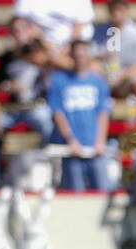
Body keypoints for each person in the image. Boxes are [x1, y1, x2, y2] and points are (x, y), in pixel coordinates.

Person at [48, 39, 112, 192]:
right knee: (75, 194)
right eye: (77, 53)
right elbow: (58, 113)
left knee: (103, 191)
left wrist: (100, 141)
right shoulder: (59, 80)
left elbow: (103, 113)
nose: (80, 56)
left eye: (84, 52)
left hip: (94, 147)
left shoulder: (98, 82)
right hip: (71, 150)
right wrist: (71, 140)